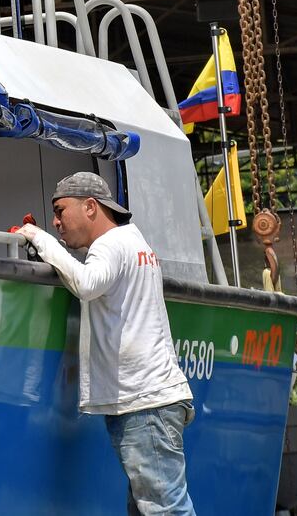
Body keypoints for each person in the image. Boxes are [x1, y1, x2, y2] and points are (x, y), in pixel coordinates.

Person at [16, 173, 196, 515]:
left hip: (143, 400)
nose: (56, 222)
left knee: (165, 509)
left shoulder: (111, 244)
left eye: (59, 211)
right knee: (151, 508)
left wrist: (39, 239)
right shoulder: (135, 241)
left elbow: (87, 283)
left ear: (90, 207)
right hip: (151, 399)